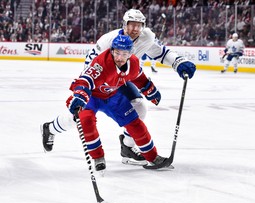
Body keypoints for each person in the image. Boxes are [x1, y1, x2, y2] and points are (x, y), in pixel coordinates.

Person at [41, 9, 196, 167]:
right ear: (124, 24)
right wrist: (83, 92)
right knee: (78, 117)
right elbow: (89, 68)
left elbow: (161, 52)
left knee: (139, 107)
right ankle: (51, 128)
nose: (135, 29)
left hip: (123, 79)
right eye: (131, 25)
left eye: (139, 25)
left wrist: (178, 62)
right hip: (100, 82)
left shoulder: (146, 37)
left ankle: (127, 148)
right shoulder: (108, 40)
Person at [66, 34, 170, 172]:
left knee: (135, 123)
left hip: (112, 95)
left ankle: (152, 157)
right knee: (86, 120)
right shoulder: (101, 64)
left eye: (124, 53)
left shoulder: (133, 63)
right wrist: (80, 95)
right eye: (117, 53)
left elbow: (139, 77)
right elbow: (85, 80)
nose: (120, 57)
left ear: (130, 53)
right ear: (112, 51)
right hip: (92, 96)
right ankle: (97, 157)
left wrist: (149, 89)